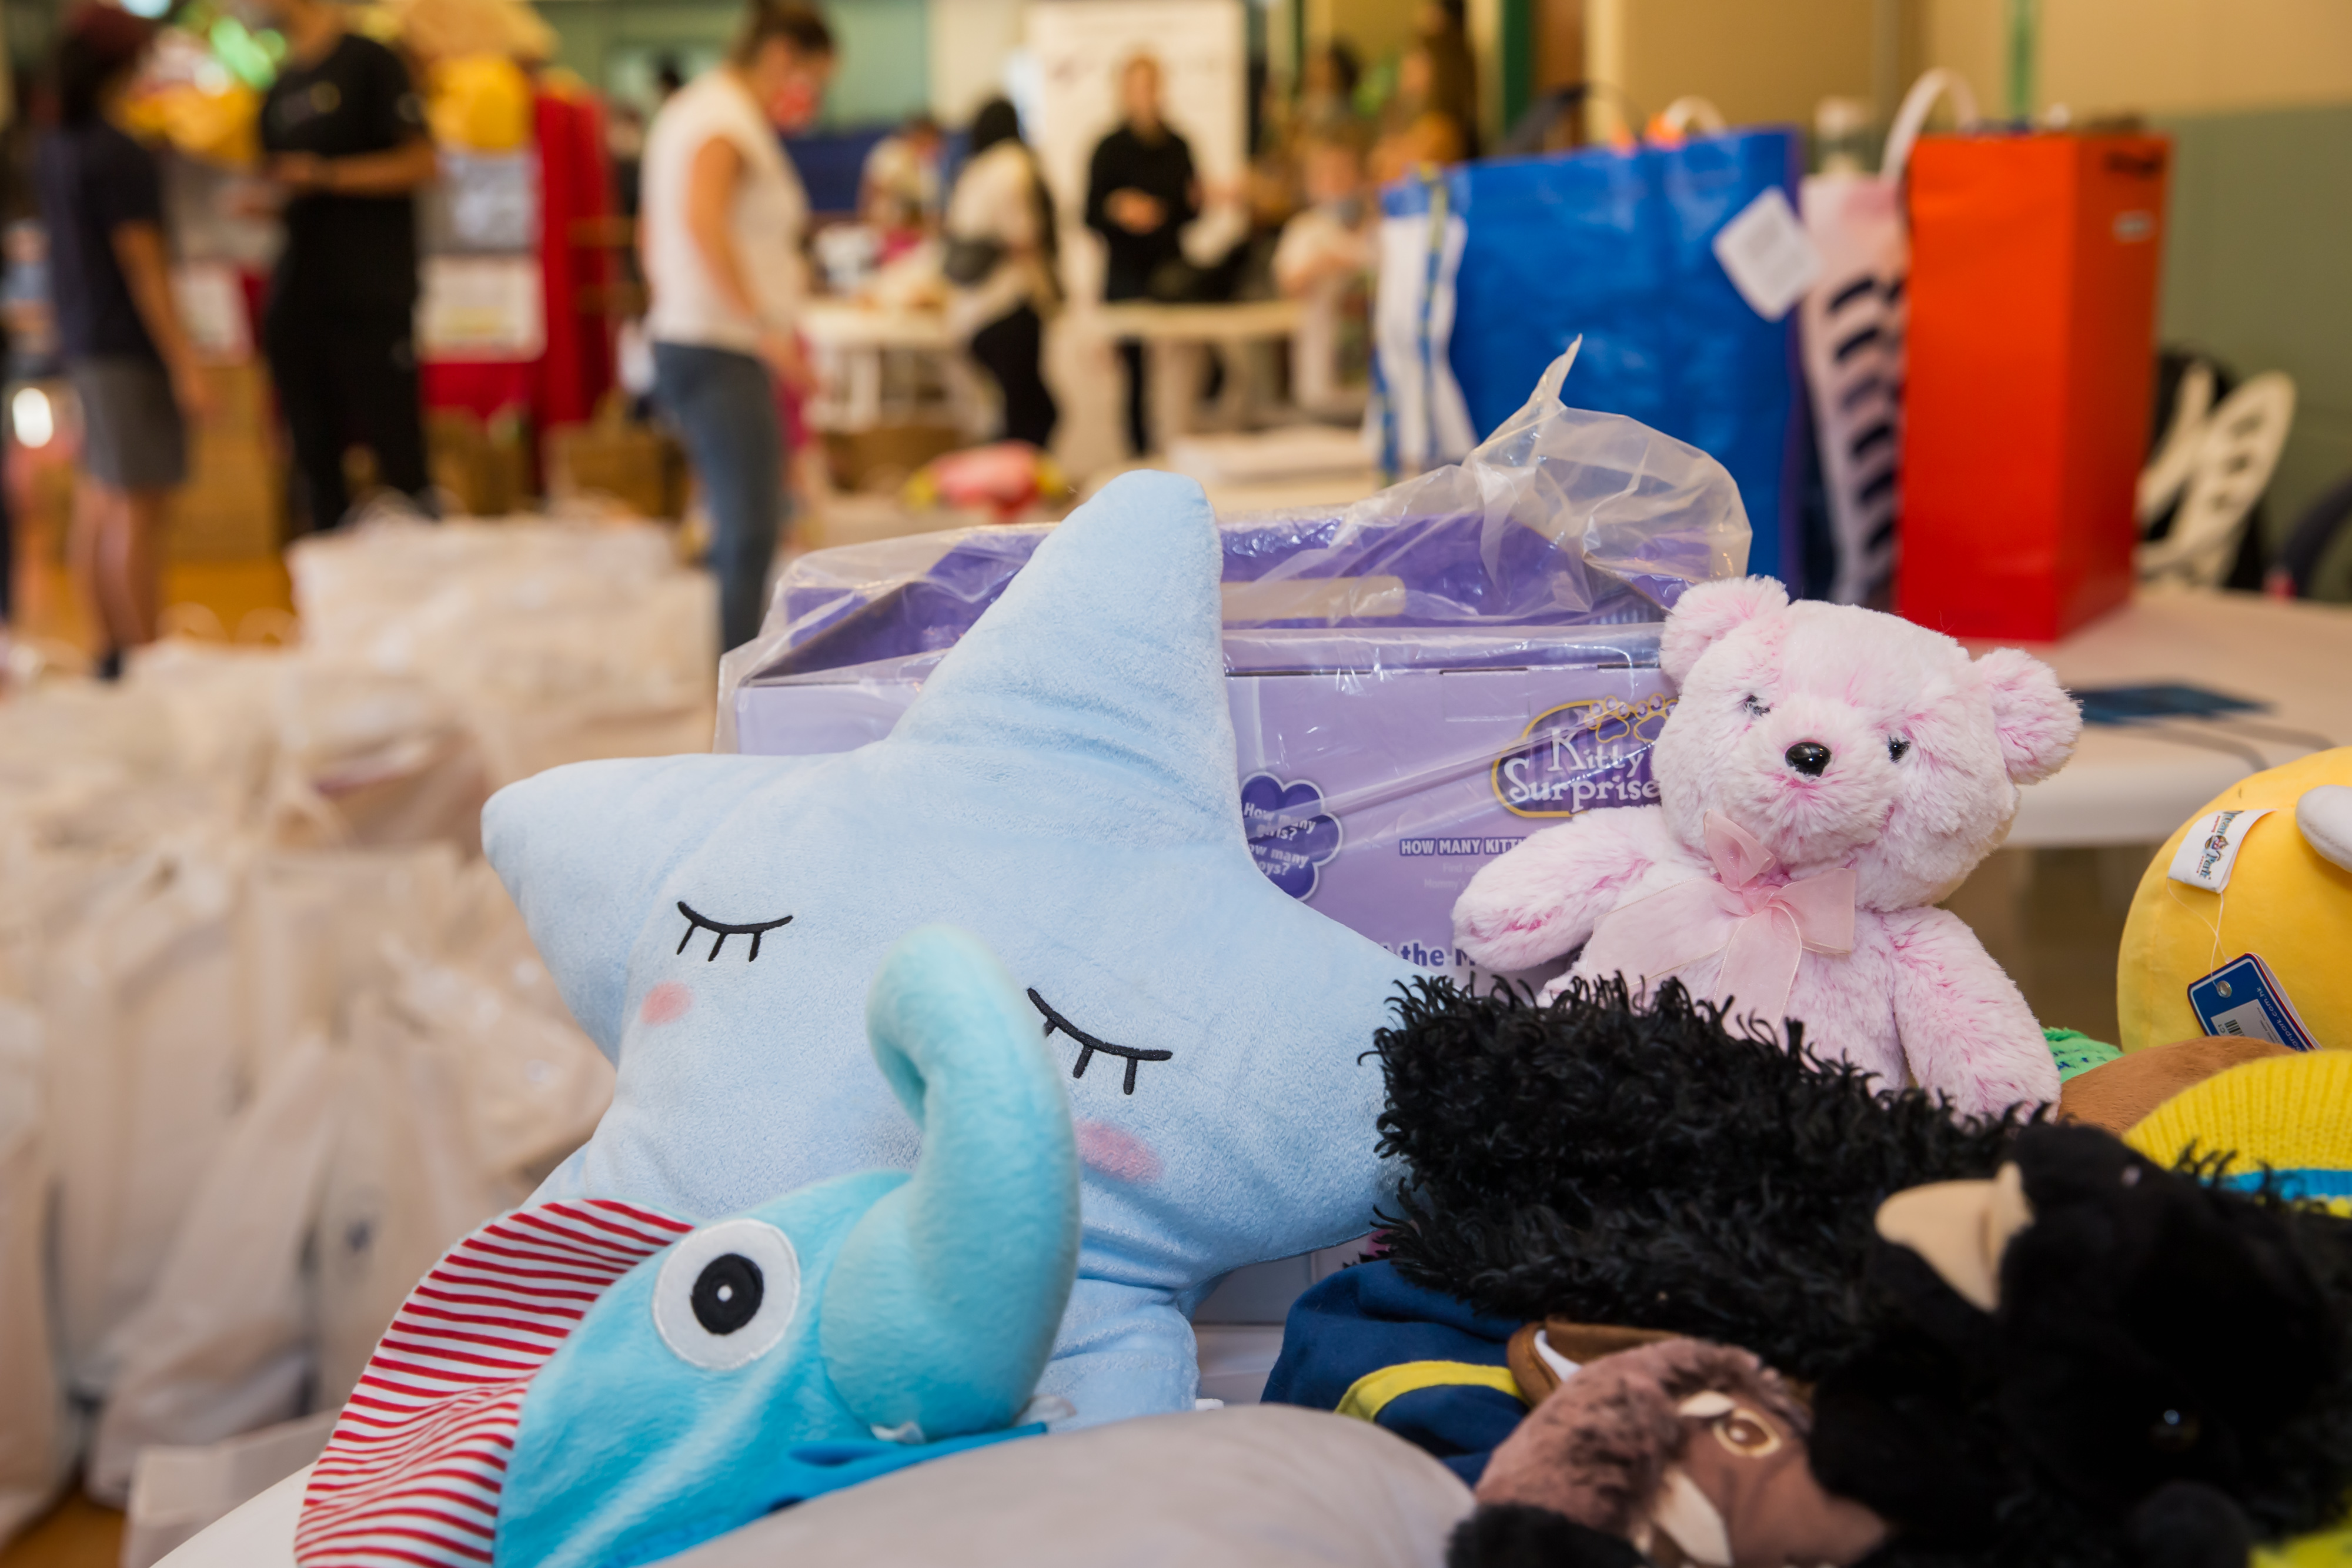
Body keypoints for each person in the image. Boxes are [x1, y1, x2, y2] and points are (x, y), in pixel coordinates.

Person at [640, 0, 832, 654]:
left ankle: (738, 673)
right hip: (719, 345)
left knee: (748, 523)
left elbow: (655, 235)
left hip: (704, 337)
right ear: (782, 56)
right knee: (750, 529)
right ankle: (737, 683)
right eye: (812, 80)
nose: (809, 99)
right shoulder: (722, 119)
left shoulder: (699, 110)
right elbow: (702, 222)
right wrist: (766, 329)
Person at [35, 2, 212, 677]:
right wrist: (185, 362)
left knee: (101, 496)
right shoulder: (117, 151)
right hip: (124, 346)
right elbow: (144, 266)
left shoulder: (57, 143)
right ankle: (145, 662)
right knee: (137, 502)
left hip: (84, 339)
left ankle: (110, 654)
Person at [253, 0, 439, 531]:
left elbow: (423, 162)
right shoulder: (279, 86)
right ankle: (329, 560)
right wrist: (269, 199)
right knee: (315, 457)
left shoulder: (370, 61)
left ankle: (421, 558)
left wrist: (326, 176)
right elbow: (285, 184)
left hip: (370, 289)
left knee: (398, 451)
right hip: (301, 293)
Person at [1084, 52, 1197, 457]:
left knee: (1186, 361)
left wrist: (1161, 212)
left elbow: (1192, 208)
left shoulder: (1179, 145)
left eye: (1149, 86)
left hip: (1169, 268)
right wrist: (1119, 210)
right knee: (1134, 372)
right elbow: (1089, 214)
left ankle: (1183, 443)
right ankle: (1139, 455)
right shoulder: (1108, 148)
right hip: (1125, 272)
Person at [943, 98, 1058, 450]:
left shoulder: (971, 172)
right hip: (1010, 303)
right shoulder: (1016, 166)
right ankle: (1016, 477)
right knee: (1028, 416)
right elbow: (1024, 235)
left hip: (972, 312)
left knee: (1015, 411)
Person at [1271, 134, 1373, 419]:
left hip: (1372, 382)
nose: (1337, 182)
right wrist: (1320, 265)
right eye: (1327, 174)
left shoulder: (1376, 230)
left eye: (1344, 172)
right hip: (1321, 376)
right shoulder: (1305, 230)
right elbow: (1288, 285)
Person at [860, 111, 941, 258]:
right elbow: (872, 192)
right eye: (932, 140)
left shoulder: (926, 166)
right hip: (887, 233)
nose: (935, 146)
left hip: (916, 237)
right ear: (920, 135)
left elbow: (927, 208)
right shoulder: (891, 153)